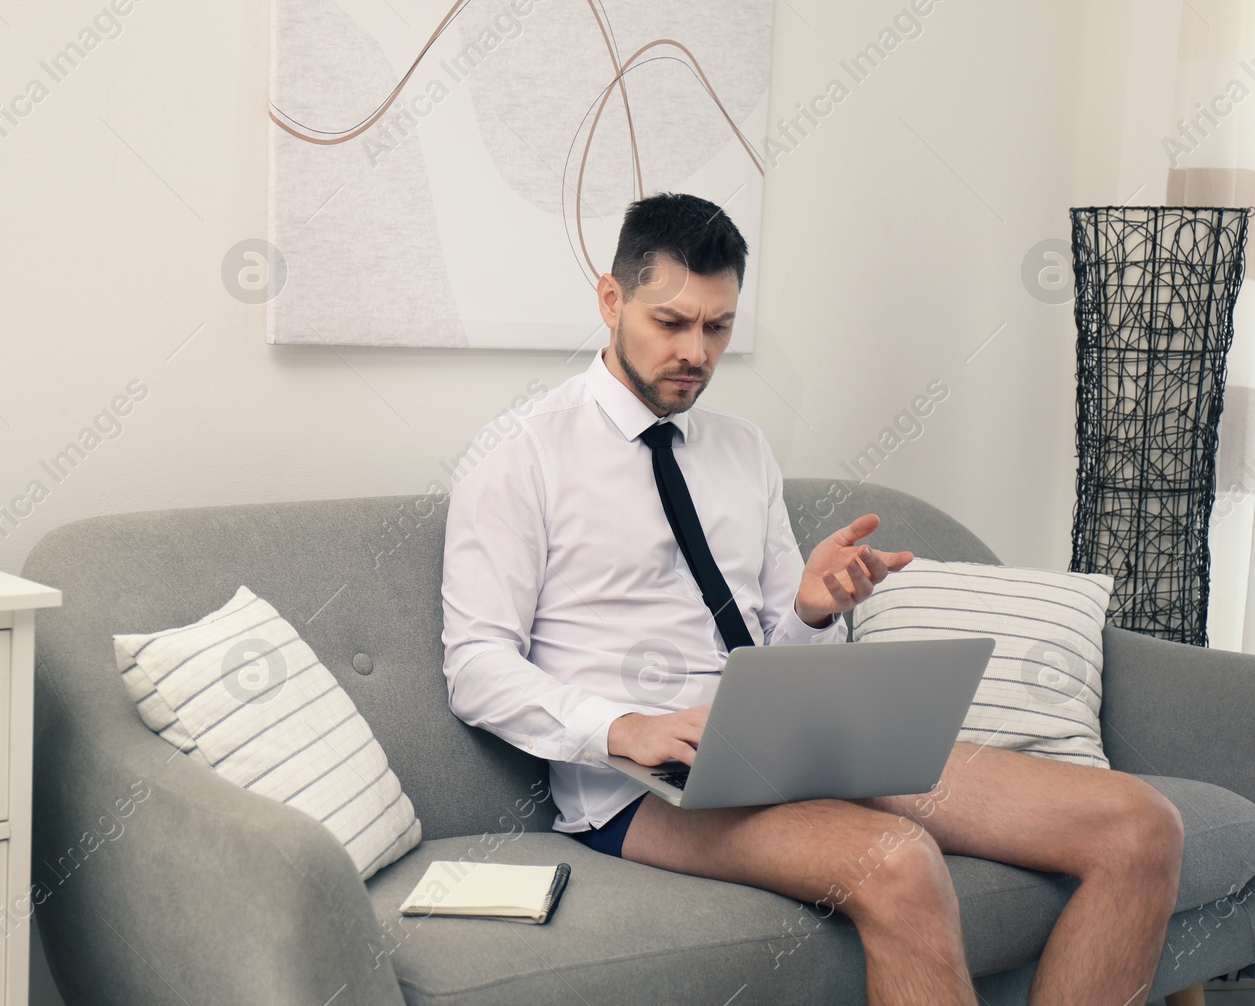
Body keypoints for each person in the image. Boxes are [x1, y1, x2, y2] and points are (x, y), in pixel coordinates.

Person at [440, 192, 1184, 1005]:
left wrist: (810, 612)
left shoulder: (742, 449)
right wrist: (627, 726)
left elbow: (773, 655)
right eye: (672, 322)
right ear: (611, 300)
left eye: (718, 327)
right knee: (896, 860)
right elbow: (476, 664)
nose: (695, 350)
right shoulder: (519, 454)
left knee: (1140, 825)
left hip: (791, 742)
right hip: (644, 787)